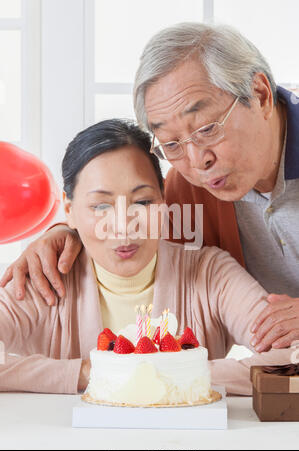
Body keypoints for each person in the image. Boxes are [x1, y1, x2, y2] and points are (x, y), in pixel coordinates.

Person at [1, 23, 299, 353]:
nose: (198, 161)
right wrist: (66, 234)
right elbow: (134, 225)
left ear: (260, 95)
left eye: (207, 129)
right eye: (172, 144)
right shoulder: (192, 188)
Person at [0, 119, 293, 395]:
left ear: (164, 202)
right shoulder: (44, 276)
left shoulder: (210, 272)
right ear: (69, 209)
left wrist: (169, 374)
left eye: (142, 201)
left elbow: (290, 356)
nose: (124, 225)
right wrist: (87, 372)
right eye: (100, 206)